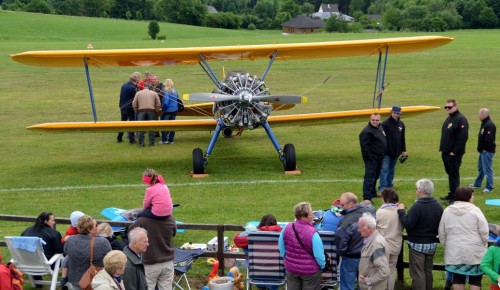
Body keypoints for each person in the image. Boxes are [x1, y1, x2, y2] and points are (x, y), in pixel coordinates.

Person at [438, 187, 489, 290]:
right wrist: (484, 245)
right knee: (475, 280)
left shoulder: (447, 211)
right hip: (474, 252)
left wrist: (448, 246)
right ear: (469, 197)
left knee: (457, 278)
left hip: (455, 252)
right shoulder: (475, 211)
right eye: (472, 195)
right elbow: (484, 231)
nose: (473, 197)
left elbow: (441, 233)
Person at [397, 179, 443, 290]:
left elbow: (408, 224)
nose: (416, 190)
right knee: (428, 271)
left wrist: (401, 211)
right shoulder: (438, 205)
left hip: (417, 245)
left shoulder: (417, 206)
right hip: (432, 244)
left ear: (420, 190)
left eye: (416, 188)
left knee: (418, 274)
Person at [278, 202, 325, 290]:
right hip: (310, 272)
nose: (313, 216)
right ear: (304, 216)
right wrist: (322, 267)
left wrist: (287, 259)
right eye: (311, 214)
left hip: (291, 269)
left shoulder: (286, 227)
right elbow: (319, 255)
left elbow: (281, 247)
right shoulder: (313, 234)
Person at [335, 192, 375, 290]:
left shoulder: (345, 222)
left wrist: (340, 254)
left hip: (350, 259)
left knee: (347, 287)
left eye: (343, 205)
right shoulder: (371, 212)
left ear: (350, 204)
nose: (341, 207)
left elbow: (340, 244)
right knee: (365, 286)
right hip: (367, 256)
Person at [128, 210, 177, 290]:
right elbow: (174, 233)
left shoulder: (143, 220)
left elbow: (131, 232)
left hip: (150, 262)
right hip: (168, 260)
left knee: (147, 287)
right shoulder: (170, 218)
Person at [64, 215, 112, 290]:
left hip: (74, 282)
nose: (98, 226)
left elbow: (66, 253)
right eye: (96, 225)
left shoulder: (70, 240)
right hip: (95, 282)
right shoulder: (102, 243)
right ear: (89, 229)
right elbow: (110, 259)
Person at [439, 98, 469, 203]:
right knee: (450, 174)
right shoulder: (450, 118)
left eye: (449, 107)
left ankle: (455, 198)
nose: (447, 109)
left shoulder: (461, 119)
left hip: (453, 154)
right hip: (446, 152)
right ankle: (452, 193)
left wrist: (454, 152)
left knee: (454, 176)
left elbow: (462, 137)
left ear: (456, 106)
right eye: (446, 107)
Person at [375, 188, 402, 290]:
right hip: (396, 245)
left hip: (383, 246)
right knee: (391, 270)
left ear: (385, 199)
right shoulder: (400, 211)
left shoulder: (380, 212)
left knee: (381, 271)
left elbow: (374, 227)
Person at [358, 212, 390, 290]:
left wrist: (369, 281)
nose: (358, 230)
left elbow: (384, 271)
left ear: (368, 228)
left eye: (360, 227)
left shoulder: (376, 244)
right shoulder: (372, 241)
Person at [359, 112, 387, 201]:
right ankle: (367, 197)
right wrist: (370, 158)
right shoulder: (366, 131)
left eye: (377, 120)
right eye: (373, 120)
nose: (375, 121)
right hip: (372, 159)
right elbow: (365, 148)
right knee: (369, 178)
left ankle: (373, 193)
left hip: (379, 158)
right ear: (370, 119)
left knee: (376, 176)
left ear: (380, 120)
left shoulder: (379, 127)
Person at [379, 106, 407, 191]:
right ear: (391, 113)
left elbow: (402, 138)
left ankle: (389, 186)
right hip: (386, 152)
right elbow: (381, 137)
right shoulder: (385, 124)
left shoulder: (401, 124)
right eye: (394, 113)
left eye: (397, 113)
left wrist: (404, 150)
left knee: (391, 170)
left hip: (396, 152)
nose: (395, 115)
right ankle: (383, 188)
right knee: (384, 170)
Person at [470, 107, 496, 193]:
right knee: (481, 168)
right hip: (482, 151)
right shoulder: (484, 123)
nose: (478, 116)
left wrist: (484, 149)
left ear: (484, 115)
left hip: (487, 152)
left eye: (479, 114)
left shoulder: (489, 125)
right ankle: (477, 184)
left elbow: (489, 139)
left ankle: (489, 187)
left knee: (487, 169)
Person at [60, 210, 86, 288]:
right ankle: (64, 278)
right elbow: (63, 240)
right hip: (73, 251)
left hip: (81, 250)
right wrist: (68, 238)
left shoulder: (80, 229)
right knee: (66, 260)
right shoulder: (71, 230)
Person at [117, 72, 140, 144]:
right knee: (131, 123)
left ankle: (119, 137)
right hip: (130, 108)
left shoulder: (123, 85)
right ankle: (131, 139)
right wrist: (137, 88)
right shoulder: (133, 88)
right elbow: (136, 97)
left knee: (122, 122)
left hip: (122, 106)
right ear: (135, 81)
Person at [160, 79, 179, 145]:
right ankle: (171, 140)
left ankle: (164, 140)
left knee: (163, 125)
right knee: (172, 125)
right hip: (174, 110)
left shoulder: (167, 92)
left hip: (167, 111)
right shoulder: (175, 91)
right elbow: (177, 99)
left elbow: (166, 102)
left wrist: (163, 109)